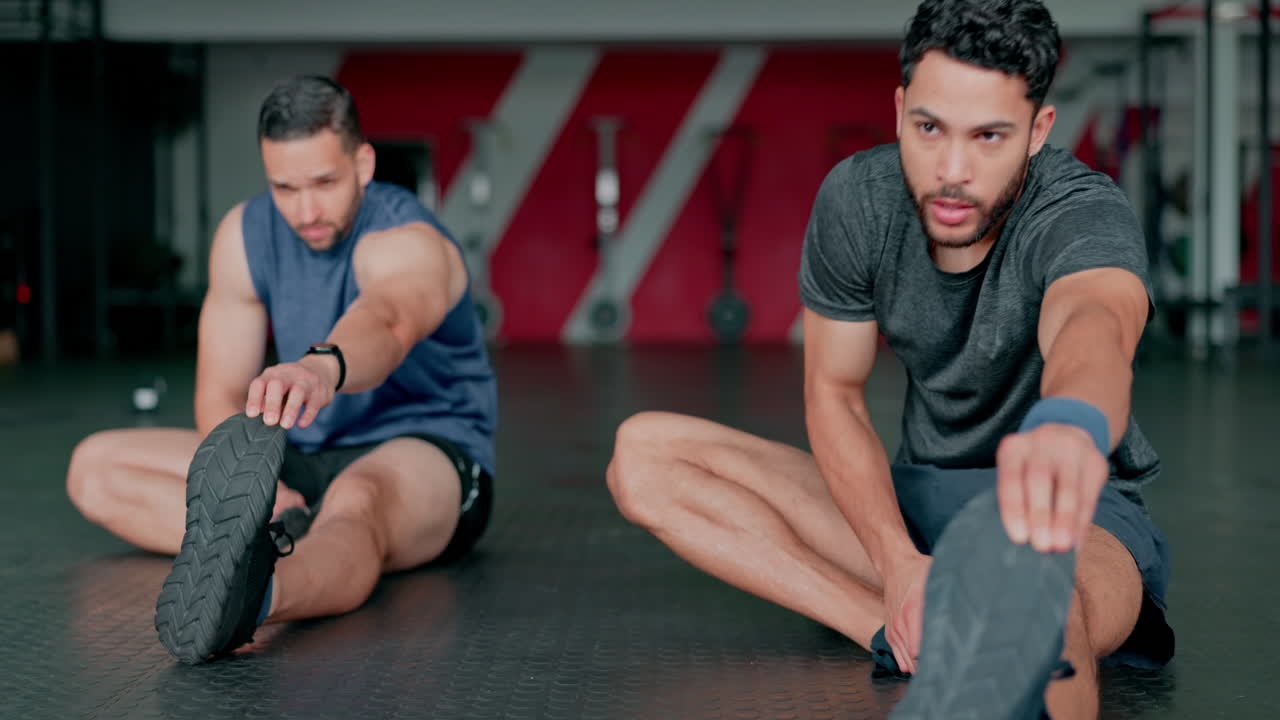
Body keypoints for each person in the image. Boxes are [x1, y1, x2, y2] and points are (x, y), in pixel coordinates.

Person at [606, 1, 1174, 717]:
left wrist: (1069, 424)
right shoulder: (860, 200)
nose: (952, 171)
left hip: (1074, 515)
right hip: (917, 503)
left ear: (1038, 132)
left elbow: (1094, 326)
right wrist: (897, 563)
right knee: (644, 455)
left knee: (1033, 599)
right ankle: (891, 627)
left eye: (989, 136)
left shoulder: (1080, 213)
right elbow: (834, 394)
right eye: (929, 128)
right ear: (901, 108)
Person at [65, 75, 497, 664]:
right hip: (300, 451)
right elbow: (219, 392)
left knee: (359, 502)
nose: (306, 210)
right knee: (95, 467)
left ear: (363, 163)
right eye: (285, 188)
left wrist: (322, 367)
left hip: (425, 450)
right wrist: (266, 484)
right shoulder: (246, 235)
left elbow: (389, 321)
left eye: (324, 182)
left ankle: (254, 597)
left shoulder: (407, 240)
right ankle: (281, 529)